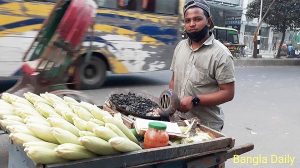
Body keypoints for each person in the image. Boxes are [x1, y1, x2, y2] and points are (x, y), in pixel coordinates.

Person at [168, 0, 235, 131]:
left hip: (206, 126)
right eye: (187, 20)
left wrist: (195, 101)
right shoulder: (180, 47)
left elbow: (228, 93)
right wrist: (170, 98)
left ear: (209, 21)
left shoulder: (221, 54)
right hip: (178, 120)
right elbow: (173, 80)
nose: (192, 24)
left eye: (197, 19)